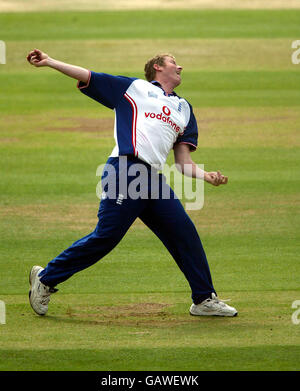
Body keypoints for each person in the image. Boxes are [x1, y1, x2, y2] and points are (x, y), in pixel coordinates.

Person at [26, 48, 238, 317]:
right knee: (107, 237)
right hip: (125, 170)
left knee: (184, 233)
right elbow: (88, 75)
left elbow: (183, 162)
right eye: (174, 63)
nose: (180, 67)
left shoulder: (184, 109)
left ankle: (204, 298)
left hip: (153, 179)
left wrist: (206, 176)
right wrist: (50, 62)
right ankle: (46, 278)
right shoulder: (134, 88)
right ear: (158, 68)